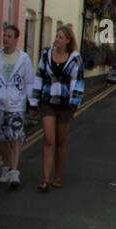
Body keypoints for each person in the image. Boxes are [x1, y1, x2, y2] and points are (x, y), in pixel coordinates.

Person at [32, 23, 85, 192]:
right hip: (48, 102)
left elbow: (77, 82)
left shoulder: (75, 58)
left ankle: (57, 177)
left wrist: (74, 102)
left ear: (68, 41)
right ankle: (45, 179)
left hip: (65, 105)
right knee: (48, 139)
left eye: (60, 38)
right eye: (56, 36)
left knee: (60, 141)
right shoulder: (46, 55)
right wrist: (34, 101)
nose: (57, 40)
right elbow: (39, 77)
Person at [0, 23, 37, 189]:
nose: (5, 39)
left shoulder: (23, 59)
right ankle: (6, 166)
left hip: (16, 104)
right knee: (1, 138)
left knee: (15, 137)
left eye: (9, 36)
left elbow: (29, 81)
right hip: (1, 104)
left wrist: (32, 103)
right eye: (4, 36)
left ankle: (14, 172)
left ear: (16, 39)